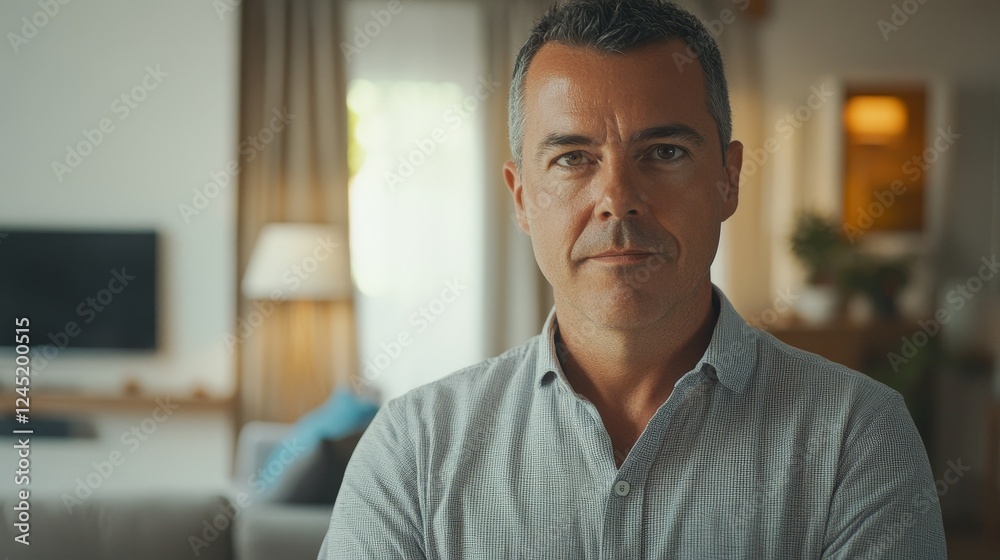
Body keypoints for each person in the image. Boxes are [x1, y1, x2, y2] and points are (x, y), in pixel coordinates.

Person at [319, 1, 946, 558]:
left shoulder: (857, 440)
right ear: (521, 198)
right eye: (572, 159)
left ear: (728, 179)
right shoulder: (413, 452)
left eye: (665, 152)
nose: (618, 199)